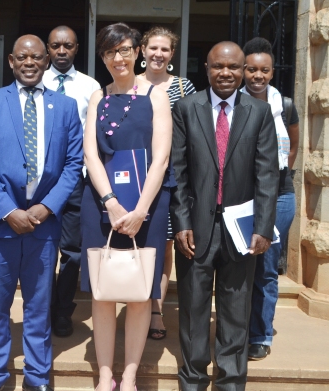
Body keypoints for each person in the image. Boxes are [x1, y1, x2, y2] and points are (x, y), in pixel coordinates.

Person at [0, 35, 82, 391]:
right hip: (0, 228)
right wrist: (7, 211)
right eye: (23, 57)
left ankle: (37, 378)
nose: (30, 62)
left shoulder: (64, 107)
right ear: (11, 61)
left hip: (44, 226)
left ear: (47, 60)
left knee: (38, 309)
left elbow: (73, 164)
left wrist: (46, 207)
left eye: (37, 56)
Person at [170, 41, 278, 390]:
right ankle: (193, 381)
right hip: (196, 230)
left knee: (235, 312)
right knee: (193, 313)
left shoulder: (258, 112)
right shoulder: (187, 108)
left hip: (241, 231)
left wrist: (262, 226)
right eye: (219, 67)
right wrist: (182, 223)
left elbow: (266, 174)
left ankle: (231, 383)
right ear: (206, 68)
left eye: (235, 67)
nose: (227, 74)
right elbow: (178, 171)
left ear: (245, 70)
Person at [80, 23, 172, 391]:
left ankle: (130, 375)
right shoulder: (96, 97)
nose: (118, 58)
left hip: (147, 204)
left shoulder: (156, 95)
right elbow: (91, 153)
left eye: (124, 50)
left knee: (138, 295)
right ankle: (105, 375)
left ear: (137, 52)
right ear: (102, 57)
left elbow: (161, 158)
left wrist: (140, 210)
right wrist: (112, 203)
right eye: (109, 52)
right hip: (101, 205)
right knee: (103, 294)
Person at [240, 37, 300, 361]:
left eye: (264, 70)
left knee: (264, 266)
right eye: (251, 69)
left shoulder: (285, 105)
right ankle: (237, 328)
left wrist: (278, 174)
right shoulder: (233, 104)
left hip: (279, 195)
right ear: (243, 70)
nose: (257, 76)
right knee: (239, 265)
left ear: (272, 72)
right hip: (242, 196)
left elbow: (293, 145)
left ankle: (260, 334)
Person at [137, 26, 196, 341]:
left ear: (172, 54)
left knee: (166, 244)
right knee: (141, 242)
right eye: (153, 48)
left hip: (174, 176)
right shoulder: (129, 85)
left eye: (165, 49)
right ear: (143, 49)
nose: (158, 54)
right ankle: (136, 304)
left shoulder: (184, 87)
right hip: (137, 175)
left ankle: (155, 309)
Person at [42, 25, 101, 338]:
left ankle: (62, 310)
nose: (61, 52)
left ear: (77, 48)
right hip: (41, 181)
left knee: (72, 251)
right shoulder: (35, 80)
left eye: (67, 46)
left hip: (77, 180)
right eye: (55, 46)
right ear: (48, 48)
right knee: (42, 248)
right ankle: (42, 308)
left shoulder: (91, 87)